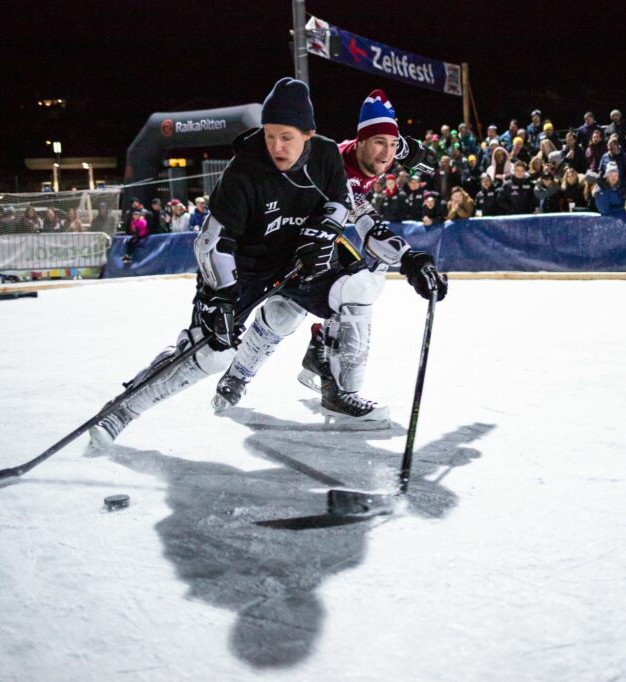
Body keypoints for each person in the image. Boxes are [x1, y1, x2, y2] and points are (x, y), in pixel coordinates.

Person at [89, 78, 447, 448]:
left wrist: (327, 232)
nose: (277, 146)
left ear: (308, 135)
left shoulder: (328, 155)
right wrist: (221, 297)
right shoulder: (243, 171)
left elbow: (340, 201)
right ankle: (122, 410)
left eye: (287, 137)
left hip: (297, 254)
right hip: (243, 265)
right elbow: (213, 240)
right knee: (211, 353)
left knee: (358, 288)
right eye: (270, 135)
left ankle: (338, 388)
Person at [214, 87, 442, 415]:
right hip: (278, 236)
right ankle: (325, 379)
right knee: (316, 301)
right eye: (380, 144)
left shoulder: (380, 148)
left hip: (315, 232)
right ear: (360, 143)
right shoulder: (339, 171)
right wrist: (410, 259)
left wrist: (411, 150)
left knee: (344, 290)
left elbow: (394, 143)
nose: (387, 155)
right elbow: (368, 225)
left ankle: (306, 356)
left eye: (392, 145)